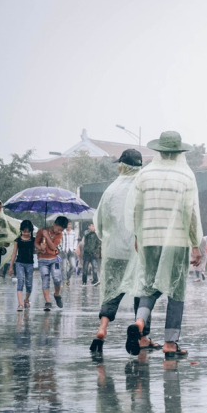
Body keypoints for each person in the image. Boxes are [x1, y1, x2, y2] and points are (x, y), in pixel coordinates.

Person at [123, 131, 203, 359]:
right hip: (177, 241)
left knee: (148, 285)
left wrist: (139, 237)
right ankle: (170, 342)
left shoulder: (144, 175)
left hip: (148, 239)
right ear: (179, 152)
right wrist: (195, 244)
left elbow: (136, 209)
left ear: (159, 151)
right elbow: (190, 213)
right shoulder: (186, 176)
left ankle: (139, 323)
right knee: (176, 289)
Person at [90, 149, 152, 353]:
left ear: (121, 167)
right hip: (137, 251)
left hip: (115, 251)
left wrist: (109, 238)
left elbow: (99, 224)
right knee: (140, 291)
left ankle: (102, 327)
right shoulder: (143, 188)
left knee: (111, 291)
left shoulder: (110, 190)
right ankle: (142, 336)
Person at [35, 216, 69, 311]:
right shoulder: (42, 231)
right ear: (54, 224)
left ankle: (57, 294)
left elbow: (53, 247)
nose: (59, 231)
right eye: (58, 229)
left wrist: (47, 236)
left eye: (61, 230)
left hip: (54, 259)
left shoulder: (59, 235)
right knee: (45, 278)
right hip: (42, 260)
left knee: (57, 278)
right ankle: (47, 301)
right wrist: (40, 248)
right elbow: (36, 243)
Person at [8, 220, 36, 311]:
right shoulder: (18, 240)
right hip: (19, 263)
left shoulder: (33, 240)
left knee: (29, 284)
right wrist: (11, 266)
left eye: (28, 232)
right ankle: (20, 304)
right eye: (24, 231)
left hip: (30, 264)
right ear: (21, 231)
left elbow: (35, 251)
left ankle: (26, 299)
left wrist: (41, 249)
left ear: (31, 231)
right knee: (20, 281)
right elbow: (14, 253)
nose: (26, 234)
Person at [59, 222, 78, 286]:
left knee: (73, 266)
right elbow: (59, 241)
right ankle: (64, 281)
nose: (68, 226)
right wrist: (60, 248)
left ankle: (67, 277)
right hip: (64, 250)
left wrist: (74, 248)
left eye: (69, 224)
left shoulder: (73, 233)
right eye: (67, 224)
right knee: (64, 267)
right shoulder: (62, 232)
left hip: (71, 250)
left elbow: (76, 240)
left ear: (71, 225)